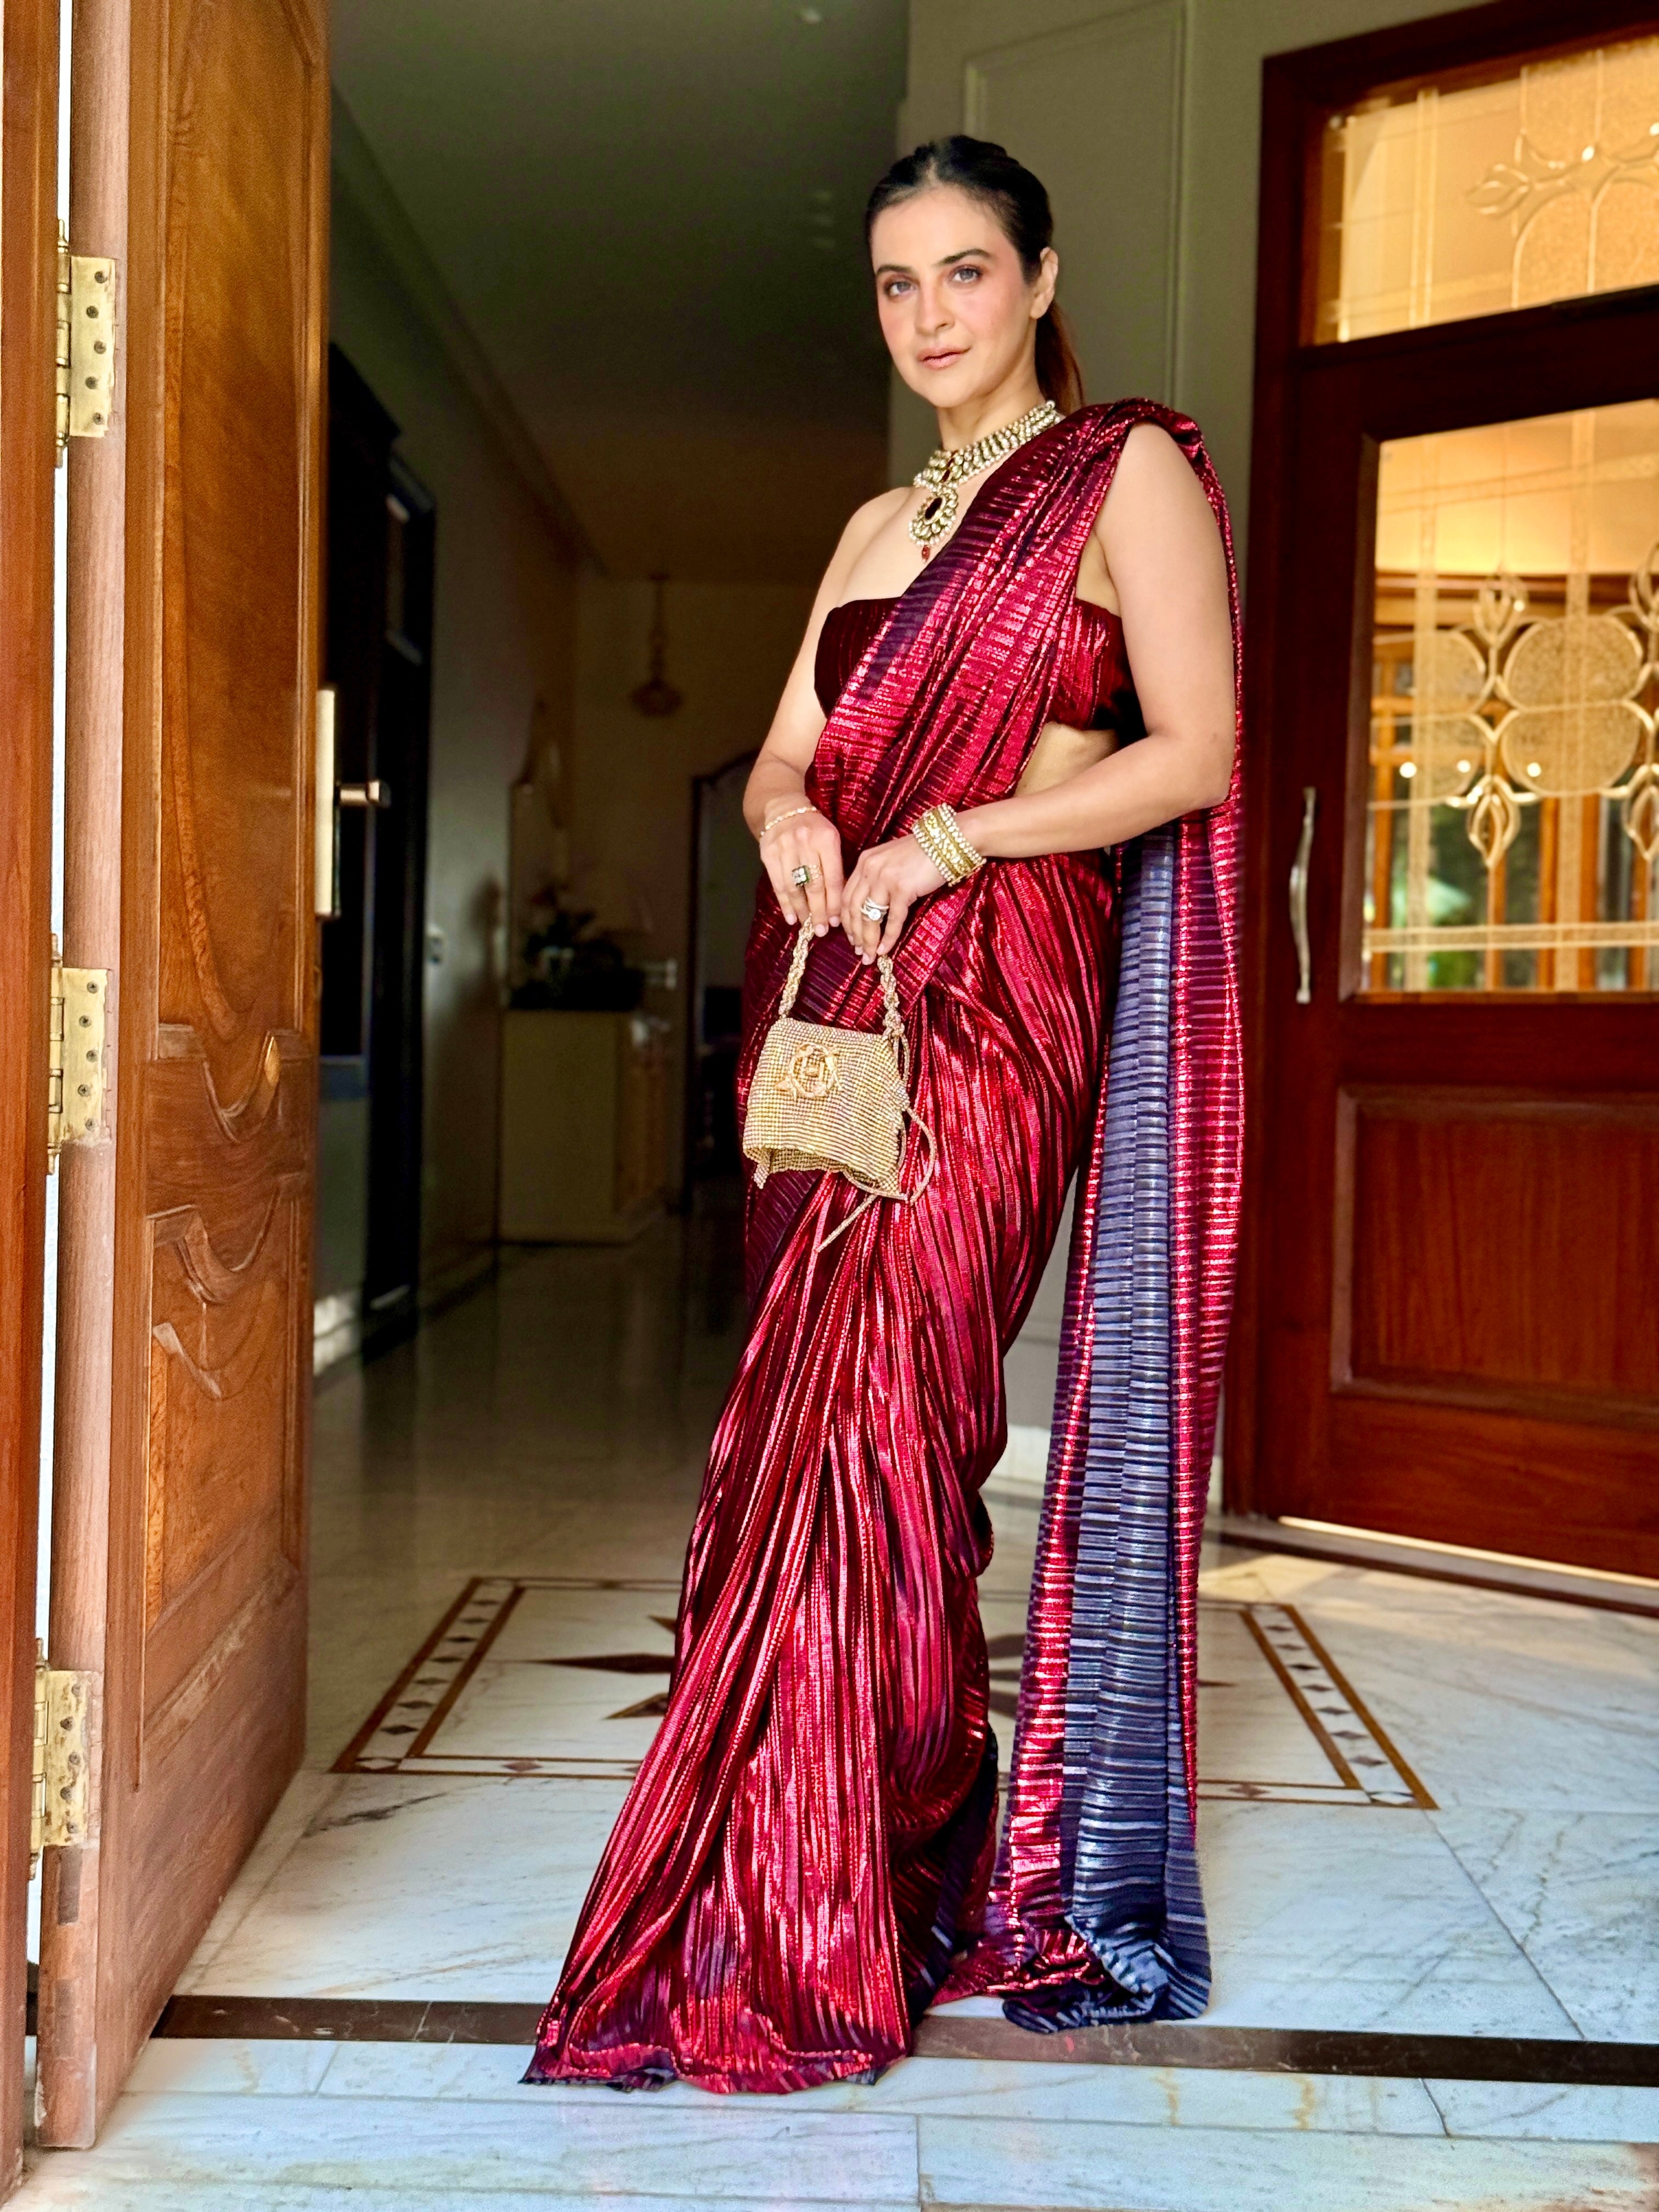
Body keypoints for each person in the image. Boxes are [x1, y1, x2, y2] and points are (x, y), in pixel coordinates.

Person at [526, 134, 1242, 2095]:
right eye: (897, 285)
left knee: (906, 1418)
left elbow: (1197, 752)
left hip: (999, 992)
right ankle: (802, 1863)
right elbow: (781, 752)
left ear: (1039, 277)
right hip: (838, 991)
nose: (931, 317)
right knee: (794, 1425)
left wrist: (957, 835)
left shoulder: (1125, 475)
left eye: (965, 275)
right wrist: (785, 818)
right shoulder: (864, 531)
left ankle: (873, 1861)